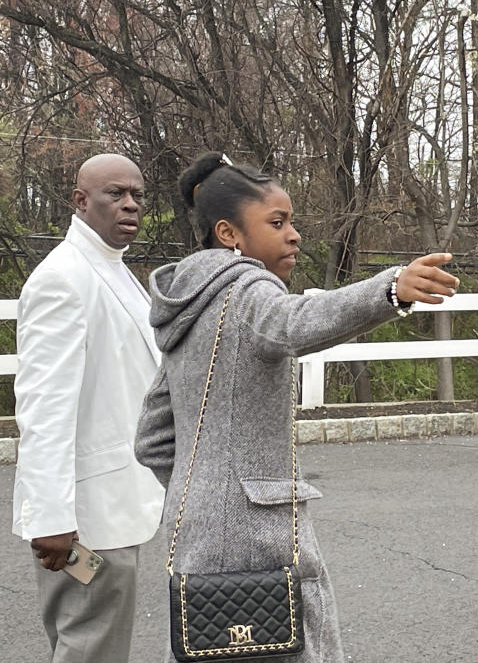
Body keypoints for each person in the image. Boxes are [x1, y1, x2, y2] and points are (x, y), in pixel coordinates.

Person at [134, 152, 459, 662]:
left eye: (292, 222)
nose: (294, 235)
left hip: (195, 532)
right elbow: (292, 321)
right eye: (277, 222)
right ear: (229, 234)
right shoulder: (246, 290)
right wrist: (389, 289)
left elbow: (152, 438)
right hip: (255, 534)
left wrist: (203, 492)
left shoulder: (186, 309)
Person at [12, 153, 165, 663]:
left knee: (96, 642)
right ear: (80, 201)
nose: (130, 204)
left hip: (115, 505)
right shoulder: (64, 278)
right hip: (83, 521)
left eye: (137, 195)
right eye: (114, 193)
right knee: (88, 645)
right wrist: (52, 519)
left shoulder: (114, 270)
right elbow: (45, 408)